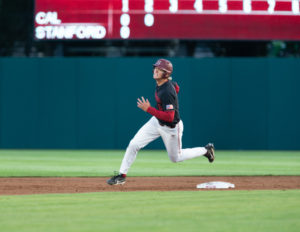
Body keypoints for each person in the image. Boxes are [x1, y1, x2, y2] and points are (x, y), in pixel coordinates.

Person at [107, 58, 215, 185]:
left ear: (166, 74)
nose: (155, 71)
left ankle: (206, 150)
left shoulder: (167, 91)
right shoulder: (163, 84)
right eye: (155, 68)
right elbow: (176, 86)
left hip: (171, 128)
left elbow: (169, 117)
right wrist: (173, 90)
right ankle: (121, 175)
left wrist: (148, 109)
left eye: (159, 70)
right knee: (134, 144)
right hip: (156, 122)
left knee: (176, 158)